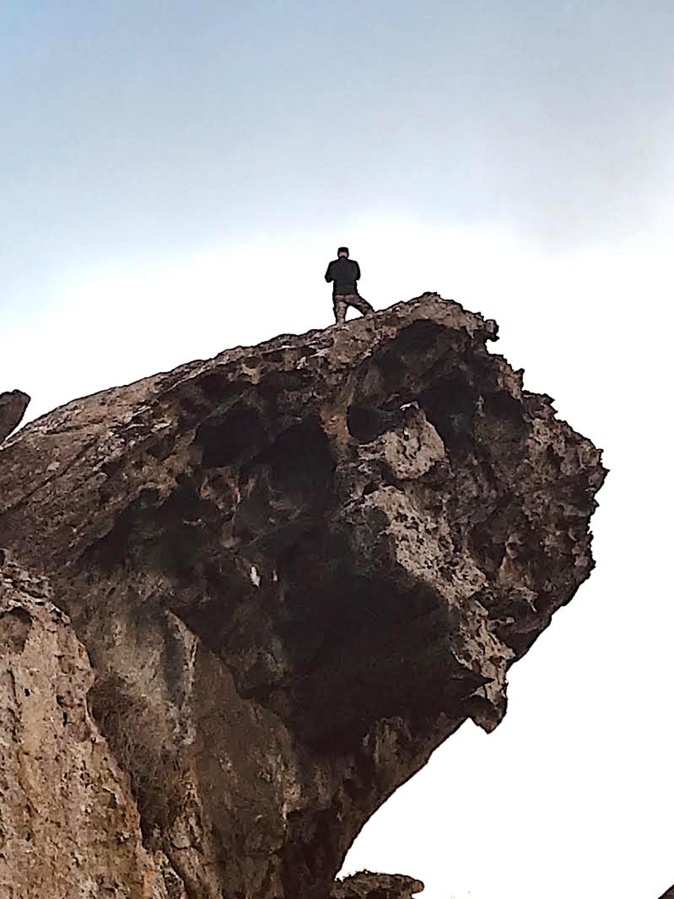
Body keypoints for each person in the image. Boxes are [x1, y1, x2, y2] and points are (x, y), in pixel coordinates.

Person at [324, 247, 374, 325]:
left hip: (338, 295)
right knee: (369, 312)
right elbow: (358, 277)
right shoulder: (353, 264)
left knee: (340, 322)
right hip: (352, 293)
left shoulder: (333, 264)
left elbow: (328, 279)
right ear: (347, 254)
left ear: (338, 254)